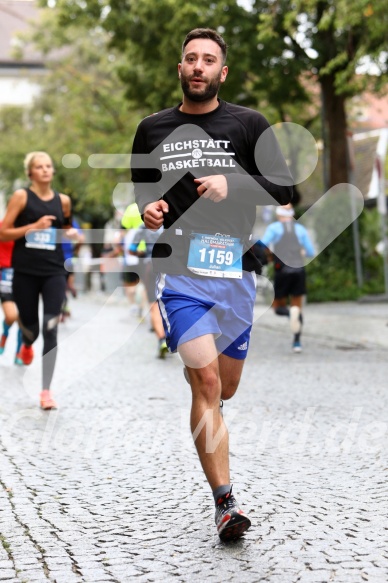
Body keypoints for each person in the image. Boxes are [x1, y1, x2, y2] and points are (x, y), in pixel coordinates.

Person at [131, 28, 292, 541]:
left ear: (222, 72)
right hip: (178, 269)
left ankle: (207, 401)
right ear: (179, 69)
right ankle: (225, 504)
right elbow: (143, 191)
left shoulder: (248, 124)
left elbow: (286, 189)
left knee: (226, 387)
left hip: (235, 273)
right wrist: (148, 211)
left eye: (208, 60)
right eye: (190, 59)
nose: (198, 66)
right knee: (206, 383)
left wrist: (233, 182)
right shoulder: (151, 129)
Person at [0, 151, 76, 410]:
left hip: (54, 272)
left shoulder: (63, 201)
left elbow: (65, 229)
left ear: (53, 171)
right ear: (30, 173)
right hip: (25, 273)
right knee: (30, 328)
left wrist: (72, 234)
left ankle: (45, 391)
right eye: (39, 167)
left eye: (48, 166)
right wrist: (33, 228)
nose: (45, 170)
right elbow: (3, 233)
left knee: (51, 328)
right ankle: (27, 343)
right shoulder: (21, 197)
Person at [260, 203, 315, 352]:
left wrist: (269, 256)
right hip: (299, 271)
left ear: (279, 215)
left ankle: (289, 313)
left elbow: (261, 245)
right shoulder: (301, 230)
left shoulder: (274, 228)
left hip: (282, 271)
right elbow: (310, 252)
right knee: (297, 307)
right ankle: (297, 342)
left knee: (277, 307)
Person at [129, 224, 168, 358]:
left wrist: (142, 253)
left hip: (150, 265)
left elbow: (132, 249)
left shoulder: (145, 225)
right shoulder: (176, 217)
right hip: (171, 266)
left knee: (154, 304)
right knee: (172, 302)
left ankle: (162, 339)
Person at [0, 223, 23, 364]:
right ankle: (5, 335)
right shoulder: (3, 226)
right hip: (5, 274)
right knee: (11, 315)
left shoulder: (32, 226)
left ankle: (18, 353)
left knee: (24, 320)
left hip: (25, 275)